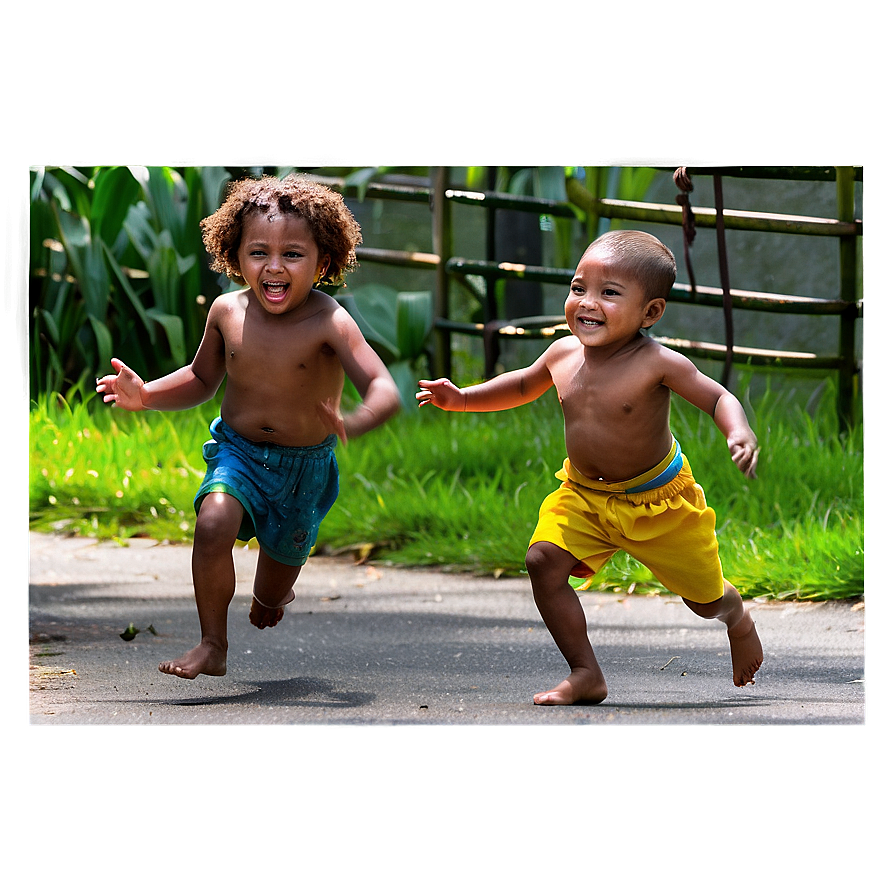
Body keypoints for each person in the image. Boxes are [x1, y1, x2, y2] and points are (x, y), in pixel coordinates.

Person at [417, 230, 762, 706]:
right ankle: (585, 673)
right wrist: (462, 399)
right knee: (543, 561)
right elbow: (520, 386)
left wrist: (737, 431)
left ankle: (737, 618)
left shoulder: (658, 363)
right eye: (579, 288)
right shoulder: (562, 353)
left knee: (703, 601)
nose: (587, 303)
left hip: (658, 501)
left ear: (651, 312)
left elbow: (718, 395)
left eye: (609, 293)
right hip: (583, 495)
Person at [97, 174, 401, 679]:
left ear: (323, 262)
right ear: (234, 257)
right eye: (258, 252)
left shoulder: (330, 321)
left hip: (302, 470)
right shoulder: (226, 312)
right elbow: (201, 378)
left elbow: (384, 388)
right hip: (237, 453)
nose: (274, 267)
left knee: (270, 596)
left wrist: (356, 420)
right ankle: (212, 644)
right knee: (213, 522)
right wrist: (147, 394)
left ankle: (272, 592)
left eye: (293, 255)